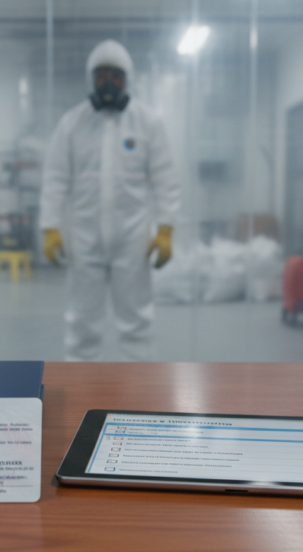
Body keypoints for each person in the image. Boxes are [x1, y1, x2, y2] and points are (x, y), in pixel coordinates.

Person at [39, 39, 181, 361]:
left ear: (127, 79)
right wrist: (50, 227)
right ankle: (79, 390)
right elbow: (55, 178)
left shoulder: (147, 123)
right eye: (101, 75)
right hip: (84, 239)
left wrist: (166, 228)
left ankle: (139, 398)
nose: (108, 83)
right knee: (81, 323)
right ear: (91, 78)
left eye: (115, 76)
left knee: (137, 323)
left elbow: (165, 179)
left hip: (133, 240)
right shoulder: (72, 123)